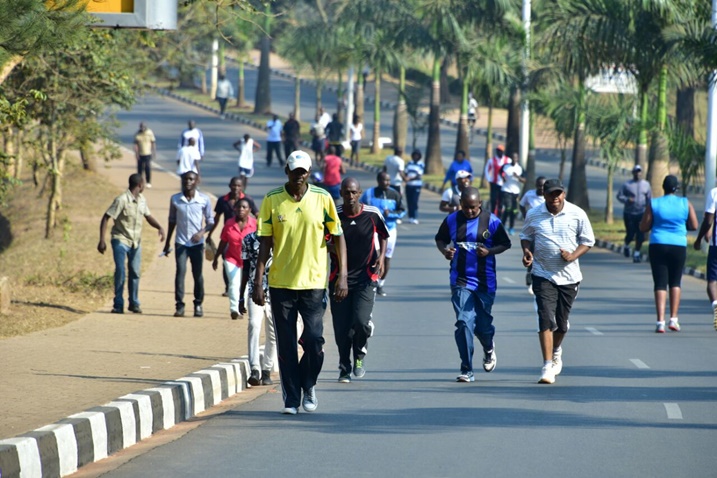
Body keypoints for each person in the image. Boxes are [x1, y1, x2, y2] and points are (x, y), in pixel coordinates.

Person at [252, 150, 348, 415]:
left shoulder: (322, 198)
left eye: (303, 172)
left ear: (308, 173)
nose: (299, 176)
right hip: (281, 283)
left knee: (315, 341)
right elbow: (265, 243)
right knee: (286, 345)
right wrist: (258, 281)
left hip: (314, 283)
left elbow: (338, 236)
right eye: (295, 172)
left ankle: (309, 383)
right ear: (287, 171)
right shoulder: (272, 200)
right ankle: (292, 399)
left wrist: (342, 276)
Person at [520, 178, 595, 384]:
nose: (555, 198)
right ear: (543, 195)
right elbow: (525, 235)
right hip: (542, 274)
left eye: (558, 193)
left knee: (561, 325)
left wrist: (573, 255)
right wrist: (527, 251)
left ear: (563, 194)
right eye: (551, 194)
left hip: (569, 277)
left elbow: (588, 240)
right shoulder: (534, 213)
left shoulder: (577, 214)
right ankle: (546, 366)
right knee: (545, 318)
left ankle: (556, 350)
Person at [435, 187, 511, 382]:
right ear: (460, 203)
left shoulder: (491, 221)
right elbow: (440, 239)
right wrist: (445, 251)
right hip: (460, 280)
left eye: (473, 208)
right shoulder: (452, 219)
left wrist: (490, 251)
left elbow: (505, 243)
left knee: (482, 326)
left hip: (485, 281)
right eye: (466, 207)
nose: (469, 211)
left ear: (480, 205)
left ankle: (488, 346)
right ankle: (466, 368)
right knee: (463, 321)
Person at [329, 178, 389, 383]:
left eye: (354, 192)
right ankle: (344, 366)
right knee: (341, 327)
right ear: (341, 192)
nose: (350, 196)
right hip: (338, 279)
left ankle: (360, 355)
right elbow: (323, 238)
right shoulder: (334, 214)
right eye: (346, 192)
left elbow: (384, 234)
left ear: (360, 193)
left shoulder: (372, 214)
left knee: (361, 322)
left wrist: (381, 257)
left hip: (366, 277)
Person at [98, 174, 165, 314]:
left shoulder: (142, 200)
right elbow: (106, 217)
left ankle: (134, 303)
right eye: (144, 184)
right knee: (121, 271)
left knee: (135, 272)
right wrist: (102, 240)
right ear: (139, 185)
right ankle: (118, 304)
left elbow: (148, 216)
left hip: (136, 242)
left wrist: (159, 227)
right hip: (120, 240)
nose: (145, 186)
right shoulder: (121, 200)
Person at [640, 175, 698, 333]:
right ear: (676, 188)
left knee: (659, 283)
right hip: (678, 245)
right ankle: (673, 319)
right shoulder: (685, 203)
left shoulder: (654, 203)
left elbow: (644, 226)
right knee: (675, 281)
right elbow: (694, 224)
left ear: (663, 187)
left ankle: (660, 321)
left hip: (658, 244)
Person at [163, 171, 215, 318]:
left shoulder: (203, 200)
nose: (188, 182)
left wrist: (201, 232)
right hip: (181, 243)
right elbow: (172, 221)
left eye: (191, 179)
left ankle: (198, 304)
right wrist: (167, 243)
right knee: (180, 273)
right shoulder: (175, 199)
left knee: (197, 274)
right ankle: (179, 306)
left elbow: (211, 221)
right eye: (185, 179)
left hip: (197, 244)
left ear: (197, 181)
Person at [240, 227, 278, 386]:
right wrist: (240, 296)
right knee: (254, 324)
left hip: (277, 291)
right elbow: (246, 267)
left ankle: (266, 370)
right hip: (255, 290)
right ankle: (254, 368)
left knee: (273, 332)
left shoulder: (281, 238)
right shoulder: (248, 240)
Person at [207, 177, 257, 296]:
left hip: (245, 235)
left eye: (239, 186)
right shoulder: (222, 200)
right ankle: (228, 287)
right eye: (234, 185)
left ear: (242, 187)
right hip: (229, 234)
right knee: (226, 259)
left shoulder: (247, 200)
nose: (236, 188)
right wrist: (210, 233)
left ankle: (243, 286)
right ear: (229, 186)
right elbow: (217, 218)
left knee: (245, 262)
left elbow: (257, 214)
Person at [360, 171, 405, 297]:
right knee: (374, 256)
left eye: (388, 180)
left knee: (387, 258)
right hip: (373, 231)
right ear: (378, 180)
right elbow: (361, 208)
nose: (387, 183)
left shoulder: (395, 194)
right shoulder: (369, 193)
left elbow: (402, 211)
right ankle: (371, 281)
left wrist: (390, 214)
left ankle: (381, 284)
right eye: (384, 180)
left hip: (390, 230)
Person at [212, 198, 256, 319]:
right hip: (232, 258)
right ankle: (234, 309)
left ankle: (242, 307)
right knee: (234, 283)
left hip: (249, 260)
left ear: (249, 210)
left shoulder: (255, 224)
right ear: (234, 209)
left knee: (246, 285)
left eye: (244, 207)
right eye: (239, 207)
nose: (241, 209)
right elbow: (223, 241)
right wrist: (216, 257)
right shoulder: (229, 224)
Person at [694, 186, 717, 331]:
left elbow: (708, 220)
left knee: (712, 282)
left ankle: (715, 304)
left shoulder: (715, 193)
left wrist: (699, 239)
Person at [617, 165, 652, 263]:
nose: (638, 174)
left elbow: (649, 199)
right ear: (633, 173)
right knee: (631, 233)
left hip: (641, 213)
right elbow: (619, 196)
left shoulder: (646, 185)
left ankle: (636, 253)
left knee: (640, 235)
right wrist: (627, 200)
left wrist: (649, 211)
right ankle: (626, 245)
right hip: (629, 213)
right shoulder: (627, 185)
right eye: (636, 172)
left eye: (639, 172)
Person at [519, 176, 546, 295]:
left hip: (545, 231)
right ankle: (530, 281)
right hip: (532, 230)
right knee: (531, 254)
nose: (541, 188)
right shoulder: (529, 194)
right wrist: (526, 216)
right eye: (539, 185)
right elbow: (521, 204)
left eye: (543, 186)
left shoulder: (548, 197)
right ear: (536, 185)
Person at [500, 153, 525, 235]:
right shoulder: (506, 166)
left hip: (516, 192)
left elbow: (524, 180)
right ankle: (502, 225)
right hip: (506, 190)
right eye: (513, 158)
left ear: (517, 159)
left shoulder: (520, 168)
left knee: (513, 211)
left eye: (516, 158)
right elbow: (500, 172)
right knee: (508, 207)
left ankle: (511, 227)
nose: (514, 159)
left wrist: (517, 177)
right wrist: (503, 178)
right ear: (511, 158)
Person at [484, 145, 509, 215]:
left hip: (504, 184)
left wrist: (507, 179)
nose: (499, 152)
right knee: (493, 199)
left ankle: (499, 215)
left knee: (501, 200)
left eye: (501, 151)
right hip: (494, 183)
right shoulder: (492, 160)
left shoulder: (507, 160)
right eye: (498, 151)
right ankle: (492, 213)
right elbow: (487, 170)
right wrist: (489, 179)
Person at [405, 149, 425, 224]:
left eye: (417, 155)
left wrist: (409, 179)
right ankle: (410, 217)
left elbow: (419, 175)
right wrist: (405, 178)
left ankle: (415, 216)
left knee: (414, 201)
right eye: (414, 155)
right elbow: (406, 172)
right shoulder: (409, 163)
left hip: (416, 185)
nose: (416, 157)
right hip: (409, 185)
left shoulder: (421, 164)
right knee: (409, 201)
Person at [133, 122, 156, 188]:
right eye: (141, 127)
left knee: (147, 168)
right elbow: (135, 144)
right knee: (140, 169)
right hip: (140, 154)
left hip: (148, 153)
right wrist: (136, 153)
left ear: (146, 127)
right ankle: (139, 183)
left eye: (143, 127)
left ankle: (148, 182)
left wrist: (153, 152)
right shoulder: (137, 134)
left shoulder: (149, 133)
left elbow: (153, 143)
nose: (142, 128)